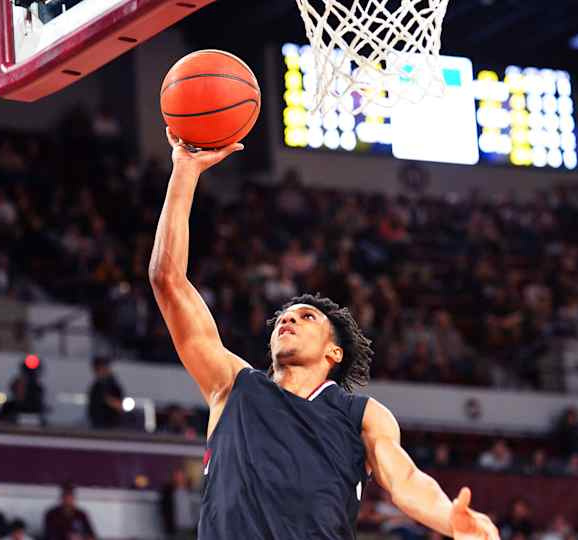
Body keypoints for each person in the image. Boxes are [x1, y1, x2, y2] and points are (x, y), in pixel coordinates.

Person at [146, 128, 500, 540]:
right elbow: (167, 279)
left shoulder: (362, 414)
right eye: (283, 317)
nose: (288, 320)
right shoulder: (233, 386)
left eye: (307, 317)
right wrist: (185, 170)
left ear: (334, 352)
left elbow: (404, 478)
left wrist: (448, 519)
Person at [87, 356, 125, 429]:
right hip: (96, 425)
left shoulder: (113, 386)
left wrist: (109, 400)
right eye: (97, 369)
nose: (99, 371)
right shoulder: (96, 386)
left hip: (111, 427)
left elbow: (120, 406)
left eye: (100, 368)